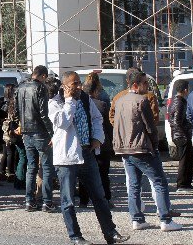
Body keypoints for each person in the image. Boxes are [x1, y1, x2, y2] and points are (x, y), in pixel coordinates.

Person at [50, 72, 129, 245]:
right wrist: (70, 101)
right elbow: (63, 122)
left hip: (86, 152)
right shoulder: (55, 102)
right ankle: (76, 236)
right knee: (68, 200)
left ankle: (110, 233)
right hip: (67, 158)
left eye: (79, 83)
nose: (78, 87)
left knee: (99, 196)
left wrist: (97, 138)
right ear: (64, 86)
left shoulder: (85, 98)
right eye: (74, 84)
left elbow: (97, 118)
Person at [113, 70, 181, 232]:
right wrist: (155, 145)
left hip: (124, 149)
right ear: (135, 85)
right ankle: (165, 219)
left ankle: (137, 219)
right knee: (159, 182)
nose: (147, 85)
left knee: (134, 184)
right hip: (141, 147)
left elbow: (115, 124)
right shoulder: (141, 101)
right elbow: (150, 128)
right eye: (144, 83)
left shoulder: (119, 100)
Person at [14, 65, 55, 212]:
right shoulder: (40, 88)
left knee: (31, 167)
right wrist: (52, 133)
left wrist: (21, 126)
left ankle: (29, 201)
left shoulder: (20, 87)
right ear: (43, 76)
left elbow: (17, 110)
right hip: (40, 132)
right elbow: (43, 113)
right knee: (46, 167)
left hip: (26, 131)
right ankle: (47, 201)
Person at [78, 72, 114, 207]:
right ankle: (106, 198)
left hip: (84, 143)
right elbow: (107, 127)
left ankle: (83, 200)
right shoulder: (101, 104)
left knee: (84, 173)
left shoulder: (78, 104)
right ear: (96, 91)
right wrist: (111, 142)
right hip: (101, 142)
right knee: (103, 173)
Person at [168, 79, 193, 193]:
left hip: (181, 134)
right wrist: (183, 134)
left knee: (190, 159)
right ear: (185, 90)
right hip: (181, 136)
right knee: (184, 160)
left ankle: (186, 183)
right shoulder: (179, 102)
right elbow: (176, 121)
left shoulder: (177, 101)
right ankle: (182, 185)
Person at [0, 83, 19, 183]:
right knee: (11, 152)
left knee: (6, 152)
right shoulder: (12, 103)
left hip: (4, 129)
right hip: (11, 129)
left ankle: (2, 172)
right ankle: (11, 173)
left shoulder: (3, 102)